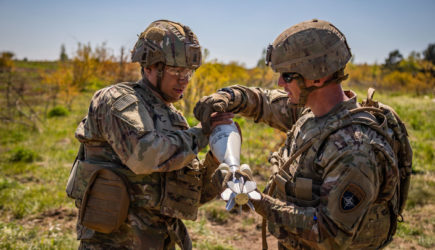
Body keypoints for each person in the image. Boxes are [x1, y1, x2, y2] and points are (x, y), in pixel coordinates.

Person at [195, 19, 410, 249]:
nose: (280, 82)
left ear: (317, 78)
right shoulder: (310, 112)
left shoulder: (354, 150)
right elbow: (264, 102)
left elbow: (331, 233)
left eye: (287, 76)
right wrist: (228, 97)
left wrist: (255, 199)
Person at [66, 19, 232, 250]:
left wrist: (217, 158)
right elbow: (144, 156)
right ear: (149, 67)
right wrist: (202, 133)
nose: (184, 79)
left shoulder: (173, 118)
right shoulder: (116, 100)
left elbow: (191, 195)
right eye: (176, 70)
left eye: (189, 72)